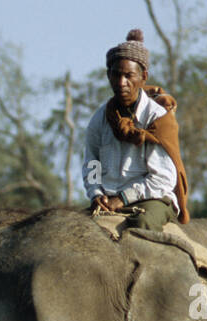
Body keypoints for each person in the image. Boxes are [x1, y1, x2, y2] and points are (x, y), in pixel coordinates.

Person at [81, 28, 190, 231]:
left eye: (129, 76)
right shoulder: (100, 118)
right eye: (116, 75)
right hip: (108, 198)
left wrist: (123, 198)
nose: (121, 82)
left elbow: (163, 179)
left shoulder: (157, 118)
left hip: (152, 200)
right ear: (108, 76)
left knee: (141, 226)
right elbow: (92, 163)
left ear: (143, 77)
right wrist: (96, 194)